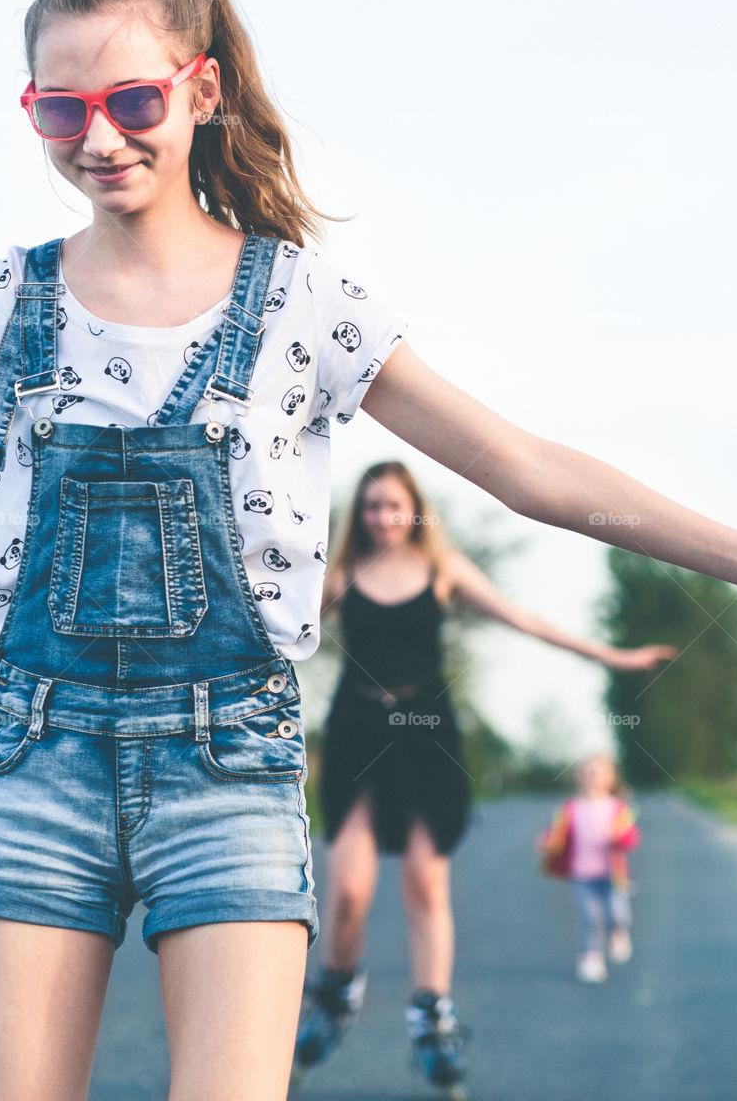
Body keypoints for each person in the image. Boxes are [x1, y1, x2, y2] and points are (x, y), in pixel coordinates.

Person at [0, 0, 737, 1101]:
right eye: (60, 112)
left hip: (230, 771)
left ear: (201, 88)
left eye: (132, 98)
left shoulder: (302, 304)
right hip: (32, 763)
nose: (98, 137)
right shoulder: (0, 301)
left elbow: (531, 472)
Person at [294, 461, 673, 1090]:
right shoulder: (340, 575)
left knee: (425, 880)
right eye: (370, 506)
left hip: (427, 733)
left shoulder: (443, 570)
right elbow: (275, 628)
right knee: (351, 886)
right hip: (358, 730)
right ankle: (337, 992)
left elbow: (527, 621)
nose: (382, 516)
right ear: (357, 513)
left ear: (414, 509)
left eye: (393, 505)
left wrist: (613, 655)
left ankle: (431, 1016)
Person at [537, 754, 641, 983]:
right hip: (582, 874)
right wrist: (547, 841)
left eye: (598, 773)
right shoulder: (570, 809)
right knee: (589, 917)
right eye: (588, 773)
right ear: (579, 778)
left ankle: (617, 932)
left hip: (612, 875)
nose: (592, 777)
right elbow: (556, 833)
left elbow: (632, 837)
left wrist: (619, 837)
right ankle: (591, 957)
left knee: (617, 912)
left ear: (610, 779)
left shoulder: (617, 809)